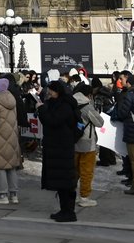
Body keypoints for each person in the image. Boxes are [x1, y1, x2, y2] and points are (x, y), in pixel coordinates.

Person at [37, 80, 81, 222]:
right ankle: (64, 210)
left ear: (58, 92)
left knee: (66, 181)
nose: (48, 93)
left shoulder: (65, 106)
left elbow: (53, 121)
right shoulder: (58, 103)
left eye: (51, 91)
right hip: (57, 147)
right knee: (62, 182)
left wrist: (42, 109)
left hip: (62, 148)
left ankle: (69, 212)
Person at [0, 77, 23, 206]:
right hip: (12, 138)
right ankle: (14, 195)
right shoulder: (12, 102)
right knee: (11, 167)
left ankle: (3, 195)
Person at [70, 73, 104, 208]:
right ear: (89, 95)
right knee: (86, 171)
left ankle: (70, 193)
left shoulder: (71, 104)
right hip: (87, 142)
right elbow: (100, 122)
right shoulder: (87, 106)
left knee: (74, 170)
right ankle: (84, 196)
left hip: (74, 141)